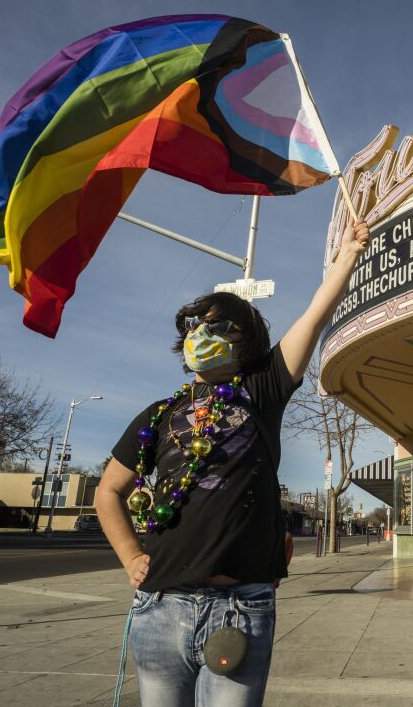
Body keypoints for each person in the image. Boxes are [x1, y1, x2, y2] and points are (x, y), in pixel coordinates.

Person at [96, 220, 369, 707]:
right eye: (194, 326)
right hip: (159, 607)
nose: (202, 334)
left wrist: (347, 255)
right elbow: (108, 491)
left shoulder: (261, 390)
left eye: (218, 326)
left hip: (240, 609)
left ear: (247, 343)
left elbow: (314, 314)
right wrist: (130, 557)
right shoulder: (157, 416)